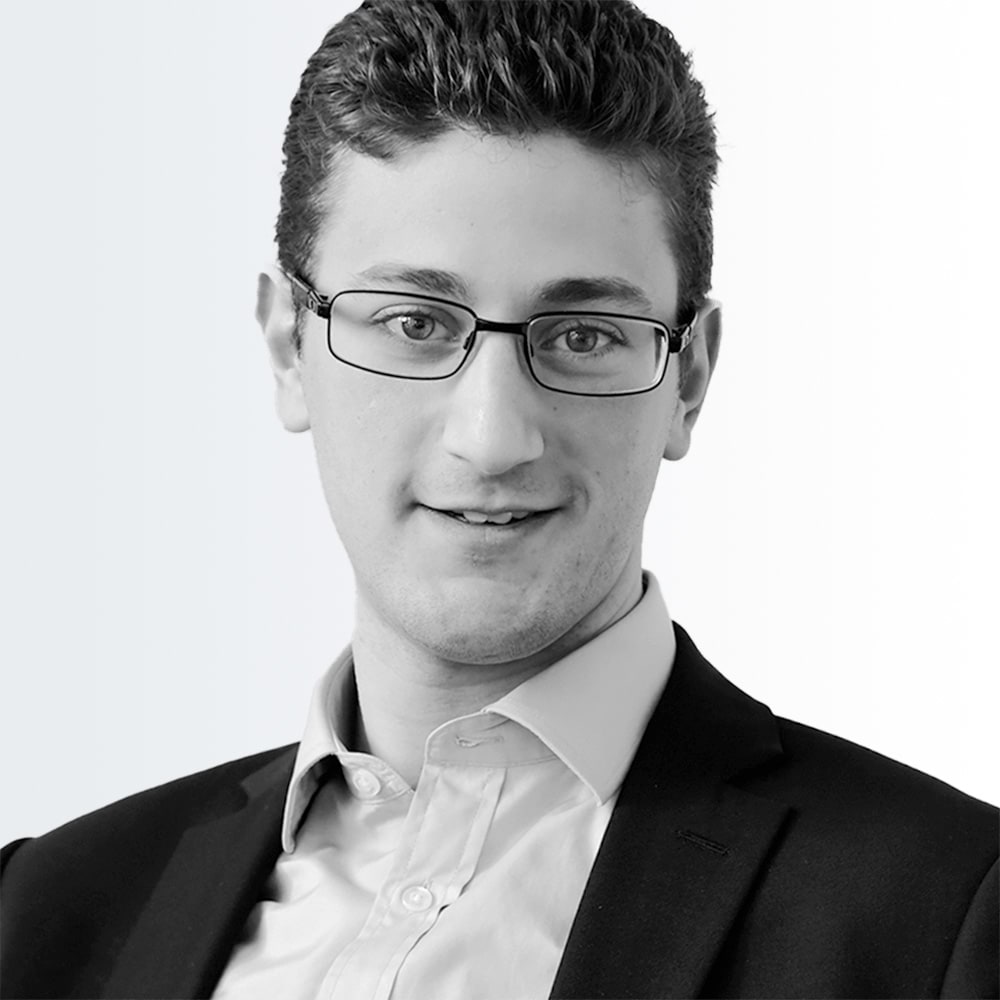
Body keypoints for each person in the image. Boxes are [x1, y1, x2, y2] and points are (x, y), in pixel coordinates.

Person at [2, 2, 996, 998]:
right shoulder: (40, 909)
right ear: (286, 348)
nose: (491, 438)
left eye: (583, 336)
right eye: (414, 322)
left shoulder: (945, 917)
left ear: (688, 379)